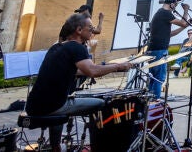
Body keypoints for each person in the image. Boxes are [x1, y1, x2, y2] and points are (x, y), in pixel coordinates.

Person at [25, 13, 130, 152]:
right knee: (103, 103)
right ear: (79, 30)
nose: (93, 30)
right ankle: (103, 146)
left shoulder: (57, 47)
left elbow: (79, 71)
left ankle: (56, 146)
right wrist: (118, 66)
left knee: (63, 101)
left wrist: (108, 67)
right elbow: (92, 71)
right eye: (90, 27)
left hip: (34, 105)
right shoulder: (77, 48)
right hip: (52, 106)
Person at [147, 0, 190, 98]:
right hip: (159, 50)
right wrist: (186, 10)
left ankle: (150, 100)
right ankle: (155, 101)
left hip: (153, 49)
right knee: (159, 78)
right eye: (175, 5)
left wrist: (184, 28)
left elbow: (170, 34)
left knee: (153, 77)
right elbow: (183, 22)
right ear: (172, 4)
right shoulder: (165, 13)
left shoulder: (160, 13)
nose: (175, 7)